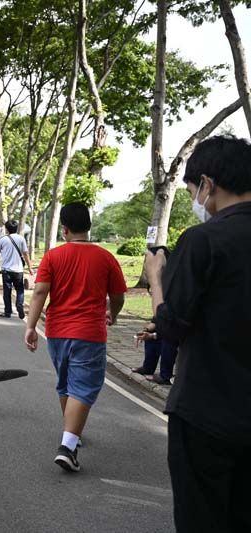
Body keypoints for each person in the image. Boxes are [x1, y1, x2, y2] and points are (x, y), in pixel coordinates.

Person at [144, 135, 251, 532]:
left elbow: (171, 326)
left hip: (207, 413)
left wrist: (156, 279)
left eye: (192, 192)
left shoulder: (204, 240)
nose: (196, 201)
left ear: (207, 184)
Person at [24, 203, 126, 473]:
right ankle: (68, 446)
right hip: (89, 333)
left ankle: (71, 431)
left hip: (56, 331)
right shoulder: (106, 258)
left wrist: (31, 326)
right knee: (83, 386)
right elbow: (118, 297)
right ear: (89, 226)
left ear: (64, 229)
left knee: (66, 383)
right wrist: (112, 314)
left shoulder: (53, 257)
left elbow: (40, 292)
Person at [0, 220, 33, 318]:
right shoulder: (21, 239)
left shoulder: (3, 239)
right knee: (20, 289)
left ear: (6, 229)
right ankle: (19, 303)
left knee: (7, 292)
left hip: (6, 270)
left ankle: (8, 312)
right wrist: (30, 267)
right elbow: (26, 254)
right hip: (18, 270)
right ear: (16, 228)